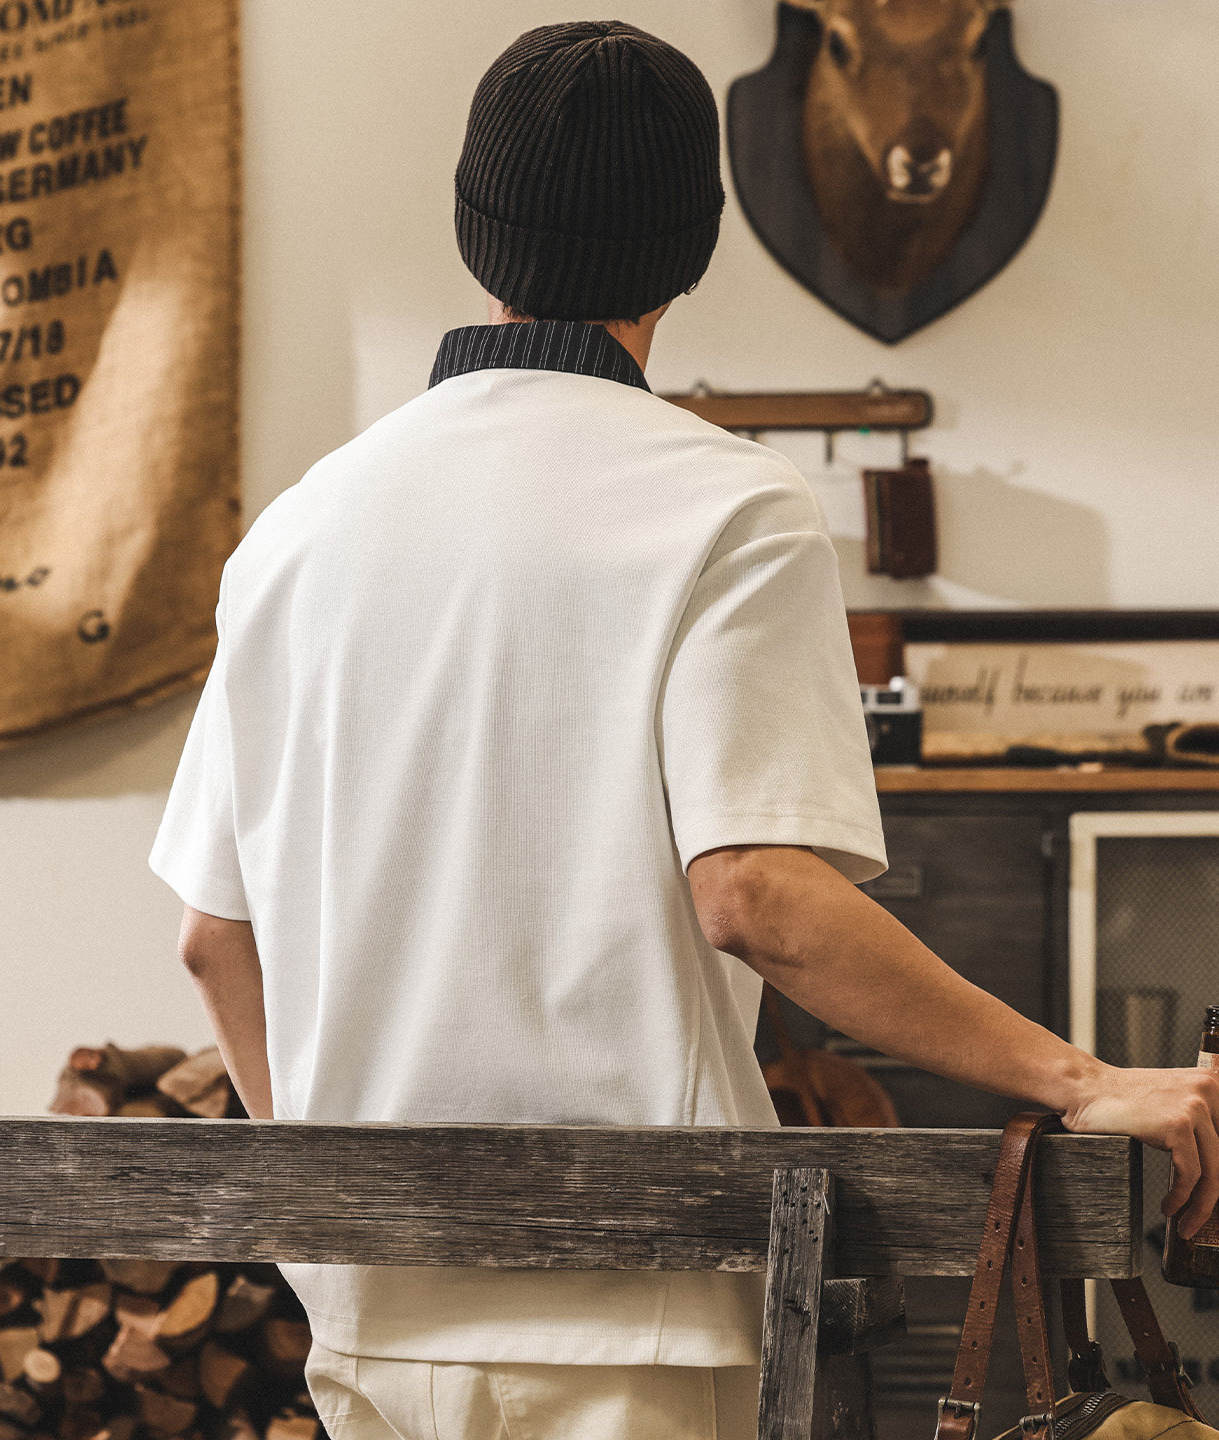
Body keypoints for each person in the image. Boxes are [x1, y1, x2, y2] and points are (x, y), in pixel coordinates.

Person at [149, 20, 1219, 1440]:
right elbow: (759, 897)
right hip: (633, 1312)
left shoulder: (298, 530)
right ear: (694, 247)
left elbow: (213, 941)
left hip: (378, 1317)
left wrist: (333, 1235)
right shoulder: (727, 505)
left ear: (473, 224)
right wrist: (1082, 1079)